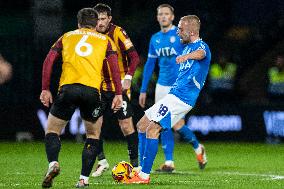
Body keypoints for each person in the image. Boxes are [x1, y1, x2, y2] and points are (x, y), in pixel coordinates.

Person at [40, 8, 122, 188]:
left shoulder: (66, 36)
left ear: (78, 23)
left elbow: (48, 61)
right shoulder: (106, 40)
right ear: (95, 25)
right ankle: (83, 179)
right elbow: (114, 68)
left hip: (67, 89)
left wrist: (45, 89)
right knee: (93, 134)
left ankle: (53, 163)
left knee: (52, 131)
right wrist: (118, 93)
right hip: (92, 92)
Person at [127, 15, 211, 184]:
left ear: (192, 31)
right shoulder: (185, 47)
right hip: (173, 95)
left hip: (182, 98)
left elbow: (201, 54)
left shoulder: (201, 46)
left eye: (180, 29)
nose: (178, 31)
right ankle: (140, 170)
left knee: (153, 130)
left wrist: (186, 57)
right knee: (142, 125)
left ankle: (144, 176)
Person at [91, 3, 140, 177]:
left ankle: (136, 167)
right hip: (99, 87)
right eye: (97, 19)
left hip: (119, 87)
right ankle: (101, 161)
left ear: (110, 19)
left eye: (103, 19)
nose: (100, 23)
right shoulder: (91, 34)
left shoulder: (118, 32)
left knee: (126, 125)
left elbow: (134, 57)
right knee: (93, 125)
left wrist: (128, 77)